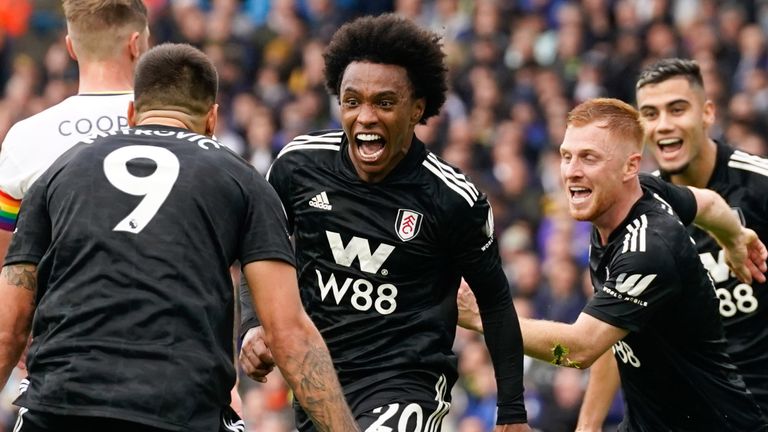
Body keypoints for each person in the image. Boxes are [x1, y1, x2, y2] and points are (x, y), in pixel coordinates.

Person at [0, 43, 358, 432]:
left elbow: (9, 326)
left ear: (132, 114)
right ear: (212, 119)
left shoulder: (60, 171)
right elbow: (289, 333)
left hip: (58, 406)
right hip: (179, 411)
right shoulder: (243, 180)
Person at [238, 13, 530, 432]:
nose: (366, 117)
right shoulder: (297, 166)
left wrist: (513, 413)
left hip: (406, 382)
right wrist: (252, 326)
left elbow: (496, 301)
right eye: (352, 101)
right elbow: (258, 249)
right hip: (317, 379)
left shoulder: (451, 199)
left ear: (417, 109)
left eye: (385, 103)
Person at [459, 98, 768, 431]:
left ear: (630, 167)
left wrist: (480, 315)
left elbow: (580, 348)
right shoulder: (635, 196)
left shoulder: (649, 249)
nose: (571, 171)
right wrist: (735, 237)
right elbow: (707, 203)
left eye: (589, 157)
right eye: (566, 156)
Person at [576, 58, 768, 431]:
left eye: (677, 109)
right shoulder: (626, 206)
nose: (663, 125)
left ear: (707, 113)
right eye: (649, 113)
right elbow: (612, 327)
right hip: (666, 415)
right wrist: (587, 425)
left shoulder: (759, 187)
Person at [0, 0, 148, 270]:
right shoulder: (180, 126)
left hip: (61, 307)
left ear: (70, 47)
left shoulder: (25, 137)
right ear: (137, 44)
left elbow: (5, 256)